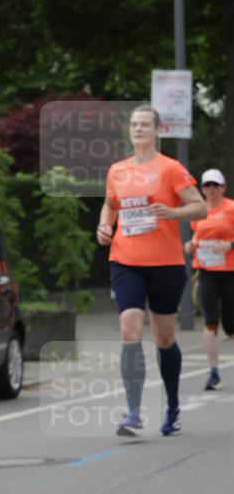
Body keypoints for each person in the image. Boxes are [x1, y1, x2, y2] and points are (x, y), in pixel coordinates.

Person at [96, 104, 206, 436]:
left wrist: (172, 213)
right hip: (126, 260)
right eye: (134, 124)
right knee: (129, 329)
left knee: (163, 338)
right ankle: (133, 412)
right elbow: (110, 205)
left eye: (145, 124)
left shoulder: (171, 169)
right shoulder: (117, 170)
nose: (139, 129)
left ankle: (172, 407)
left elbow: (199, 206)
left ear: (157, 131)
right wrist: (104, 226)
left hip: (165, 264)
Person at [185, 168, 234, 390]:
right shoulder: (198, 211)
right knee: (210, 322)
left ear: (223, 188)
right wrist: (190, 246)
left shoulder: (231, 208)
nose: (212, 190)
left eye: (216, 185)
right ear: (202, 189)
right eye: (207, 186)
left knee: (231, 324)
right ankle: (214, 373)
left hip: (230, 271)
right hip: (206, 271)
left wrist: (230, 245)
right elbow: (196, 236)